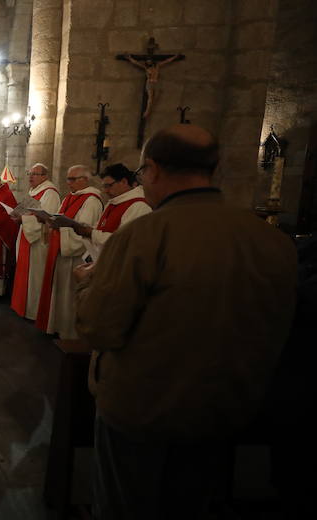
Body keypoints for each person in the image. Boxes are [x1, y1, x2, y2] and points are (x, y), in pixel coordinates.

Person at [73, 125, 297, 519]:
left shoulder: (144, 235)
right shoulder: (269, 239)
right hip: (225, 408)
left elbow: (98, 327)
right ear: (214, 168)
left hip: (143, 409)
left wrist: (87, 285)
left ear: (153, 169)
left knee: (127, 504)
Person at [34, 164, 102, 338]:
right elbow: (59, 217)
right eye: (68, 179)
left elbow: (84, 229)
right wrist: (48, 220)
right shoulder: (69, 197)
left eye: (72, 179)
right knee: (59, 293)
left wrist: (61, 229)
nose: (68, 183)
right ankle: (57, 326)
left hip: (74, 256)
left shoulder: (91, 200)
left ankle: (69, 332)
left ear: (85, 179)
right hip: (61, 250)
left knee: (68, 295)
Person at [53, 163, 150, 260]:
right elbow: (100, 227)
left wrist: (91, 233)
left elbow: (123, 241)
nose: (105, 191)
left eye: (108, 186)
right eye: (104, 186)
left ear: (124, 182)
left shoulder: (138, 205)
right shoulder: (114, 202)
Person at [9, 163, 60, 320]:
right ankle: (22, 307)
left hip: (38, 242)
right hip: (26, 236)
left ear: (44, 176)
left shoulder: (50, 193)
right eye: (29, 173)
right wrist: (17, 214)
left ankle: (33, 311)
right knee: (26, 275)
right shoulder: (33, 191)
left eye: (35, 174)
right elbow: (27, 212)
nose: (30, 177)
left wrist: (23, 219)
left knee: (35, 277)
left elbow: (47, 218)